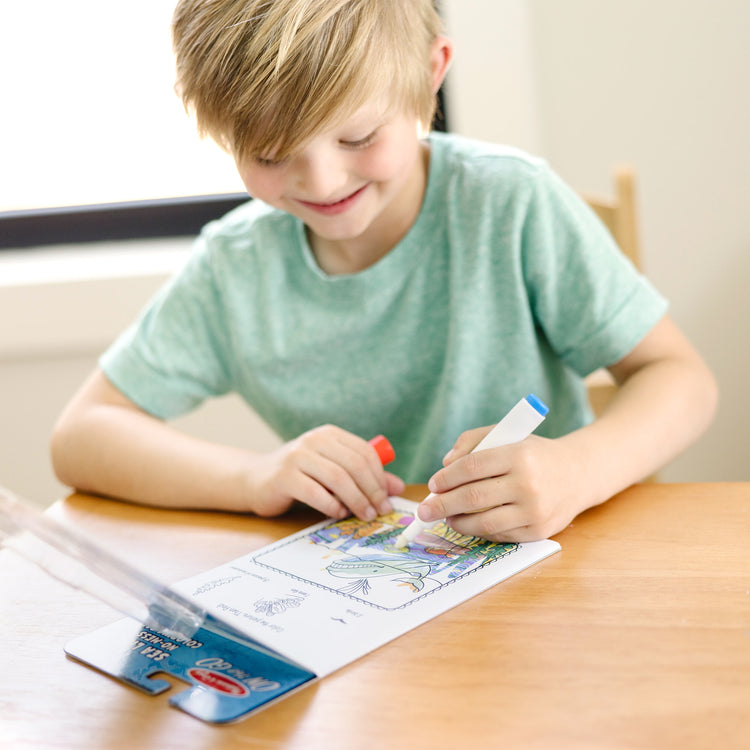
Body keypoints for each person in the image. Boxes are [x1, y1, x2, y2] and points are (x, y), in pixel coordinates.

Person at [50, 0, 717, 543]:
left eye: (358, 137)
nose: (321, 180)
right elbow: (80, 437)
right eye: (269, 153)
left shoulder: (509, 203)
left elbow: (681, 380)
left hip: (553, 567)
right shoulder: (236, 268)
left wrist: (579, 469)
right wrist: (255, 477)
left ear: (432, 72)